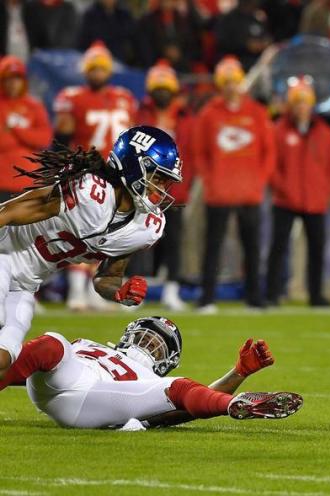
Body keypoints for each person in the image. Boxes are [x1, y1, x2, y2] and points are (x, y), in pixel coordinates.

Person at [0, 126, 183, 381]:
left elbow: (106, 279)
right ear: (132, 166)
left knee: (4, 357)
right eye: (157, 177)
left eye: (166, 181)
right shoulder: (88, 192)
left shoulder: (146, 228)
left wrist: (118, 292)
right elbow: (8, 211)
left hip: (26, 284)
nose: (161, 188)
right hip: (3, 256)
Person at [0, 316, 302, 428]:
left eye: (159, 345)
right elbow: (27, 365)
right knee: (51, 344)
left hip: (94, 401)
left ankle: (237, 405)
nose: (149, 344)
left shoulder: (150, 379)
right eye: (146, 336)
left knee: (181, 388)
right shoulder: (89, 344)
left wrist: (238, 373)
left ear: (167, 360)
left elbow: (187, 405)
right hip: (67, 378)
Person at [53, 42, 137, 311]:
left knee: (110, 233)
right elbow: (62, 136)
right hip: (87, 173)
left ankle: (97, 289)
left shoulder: (124, 97)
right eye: (94, 68)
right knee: (81, 229)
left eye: (102, 68)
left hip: (117, 175)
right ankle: (77, 292)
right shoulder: (74, 96)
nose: (98, 73)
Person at [194, 56, 276, 312]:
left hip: (249, 193)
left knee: (251, 247)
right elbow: (200, 153)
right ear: (220, 84)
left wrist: (259, 181)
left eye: (234, 81)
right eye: (225, 81)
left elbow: (269, 151)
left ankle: (254, 297)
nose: (230, 86)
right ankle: (207, 298)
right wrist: (211, 181)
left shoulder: (256, 112)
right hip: (219, 193)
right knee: (212, 247)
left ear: (241, 82)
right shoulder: (209, 113)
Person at [266, 76, 330, 308]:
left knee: (317, 249)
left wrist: (324, 190)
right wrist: (283, 188)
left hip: (315, 200)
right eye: (297, 102)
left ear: (312, 104)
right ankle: (272, 293)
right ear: (290, 105)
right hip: (285, 200)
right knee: (278, 247)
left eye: (305, 102)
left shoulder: (324, 132)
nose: (301, 107)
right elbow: (271, 165)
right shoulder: (278, 130)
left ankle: (316, 295)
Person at [136, 60, 193, 311]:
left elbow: (192, 152)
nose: (161, 92)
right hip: (143, 188)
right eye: (157, 87)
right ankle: (133, 292)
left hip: (174, 189)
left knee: (173, 242)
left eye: (165, 87)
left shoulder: (184, 117)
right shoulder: (139, 114)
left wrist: (186, 182)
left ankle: (171, 291)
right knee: (137, 239)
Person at [0, 55, 52, 203]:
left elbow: (44, 139)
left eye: (17, 78)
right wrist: (27, 138)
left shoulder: (34, 106)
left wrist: (15, 130)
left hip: (27, 183)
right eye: (8, 78)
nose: (13, 83)